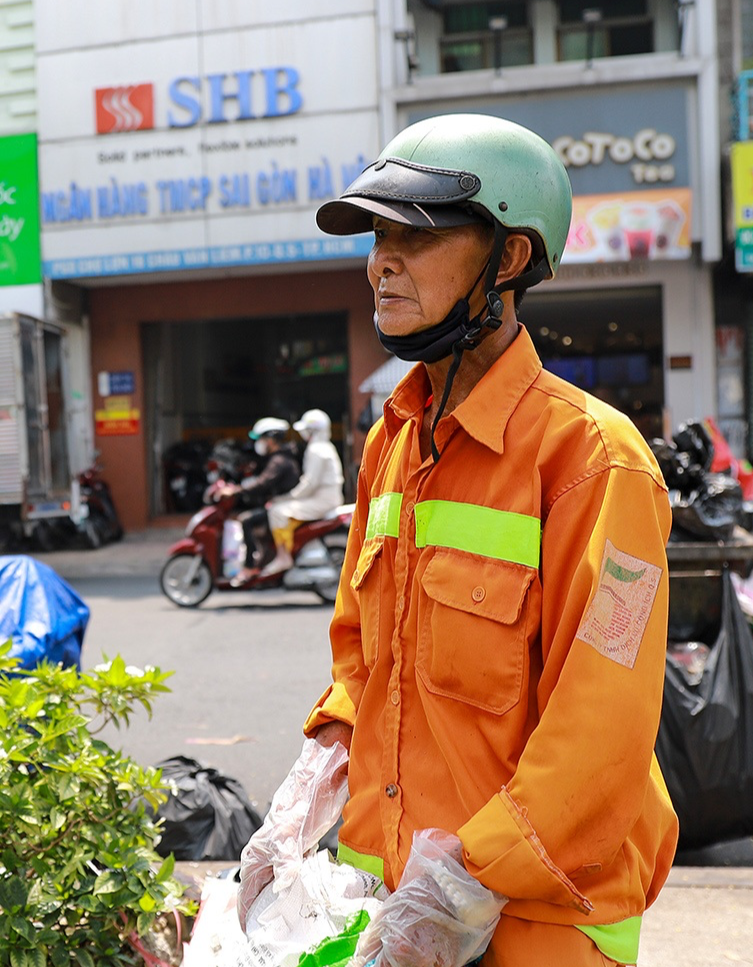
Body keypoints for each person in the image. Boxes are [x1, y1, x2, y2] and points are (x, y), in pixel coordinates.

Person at [301, 113, 676, 965]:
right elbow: (362, 654)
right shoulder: (387, 442)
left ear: (507, 259)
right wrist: (318, 768)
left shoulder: (594, 459)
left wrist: (462, 885)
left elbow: (603, 721)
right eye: (376, 235)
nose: (380, 261)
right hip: (391, 907)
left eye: (415, 235)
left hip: (533, 925)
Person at [218, 417, 301, 578]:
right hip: (279, 503)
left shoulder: (279, 461)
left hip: (283, 505)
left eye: (262, 439)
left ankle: (249, 567)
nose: (260, 443)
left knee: (246, 520)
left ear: (271, 440)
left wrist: (236, 491)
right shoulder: (279, 457)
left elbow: (263, 483)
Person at [264, 409, 344, 574]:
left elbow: (309, 484)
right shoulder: (325, 447)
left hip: (322, 501)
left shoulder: (316, 450)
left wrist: (288, 497)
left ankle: (283, 557)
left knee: (276, 512)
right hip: (327, 498)